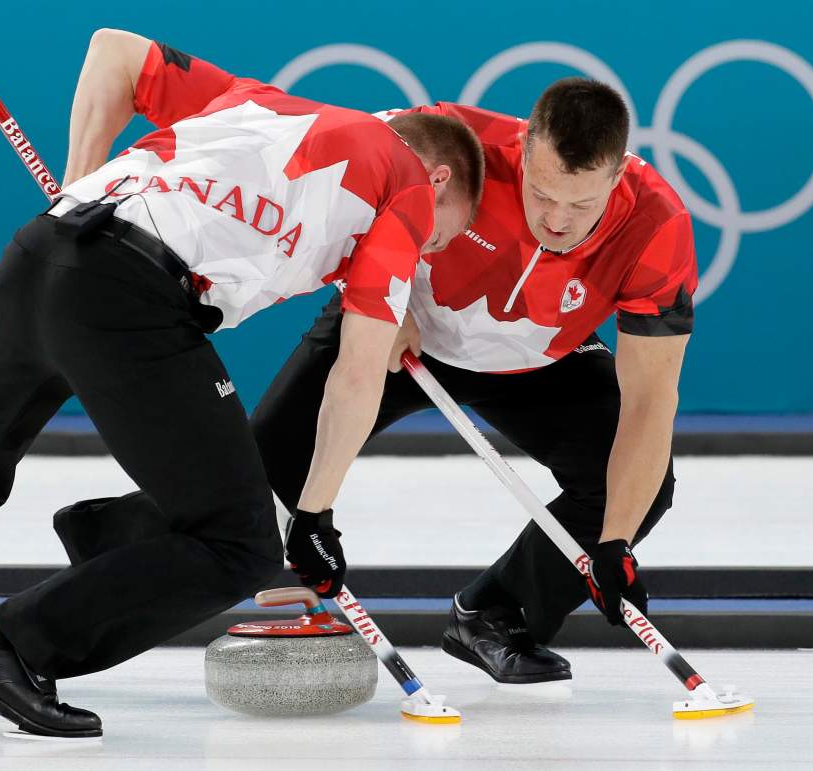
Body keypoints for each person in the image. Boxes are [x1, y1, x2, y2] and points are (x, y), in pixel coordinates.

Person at [0, 28, 485, 738]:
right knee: (242, 542)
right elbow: (358, 370)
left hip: (41, 252)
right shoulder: (409, 186)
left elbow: (114, 49)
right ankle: (14, 641)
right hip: (131, 298)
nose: (429, 251)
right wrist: (316, 517)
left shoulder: (260, 100)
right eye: (443, 237)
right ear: (440, 177)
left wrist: (77, 187)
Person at [55, 79, 697, 686]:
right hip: (395, 327)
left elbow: (650, 399)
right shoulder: (457, 141)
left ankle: (497, 616)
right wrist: (384, 301)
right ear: (523, 148)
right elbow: (337, 199)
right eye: (541, 194)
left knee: (638, 485)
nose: (556, 221)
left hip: (538, 358)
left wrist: (613, 545)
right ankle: (115, 538)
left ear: (619, 174)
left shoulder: (658, 226)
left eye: (582, 204)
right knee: (262, 475)